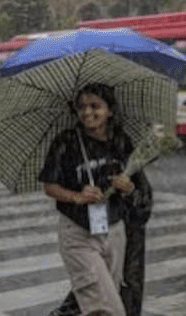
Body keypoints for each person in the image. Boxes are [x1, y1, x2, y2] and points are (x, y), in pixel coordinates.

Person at [40, 83, 137, 316]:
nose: (87, 112)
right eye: (82, 107)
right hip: (78, 233)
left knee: (105, 297)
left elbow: (135, 185)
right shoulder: (66, 142)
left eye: (95, 106)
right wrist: (76, 196)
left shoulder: (120, 140)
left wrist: (127, 186)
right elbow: (49, 186)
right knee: (107, 309)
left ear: (110, 110)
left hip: (114, 229)